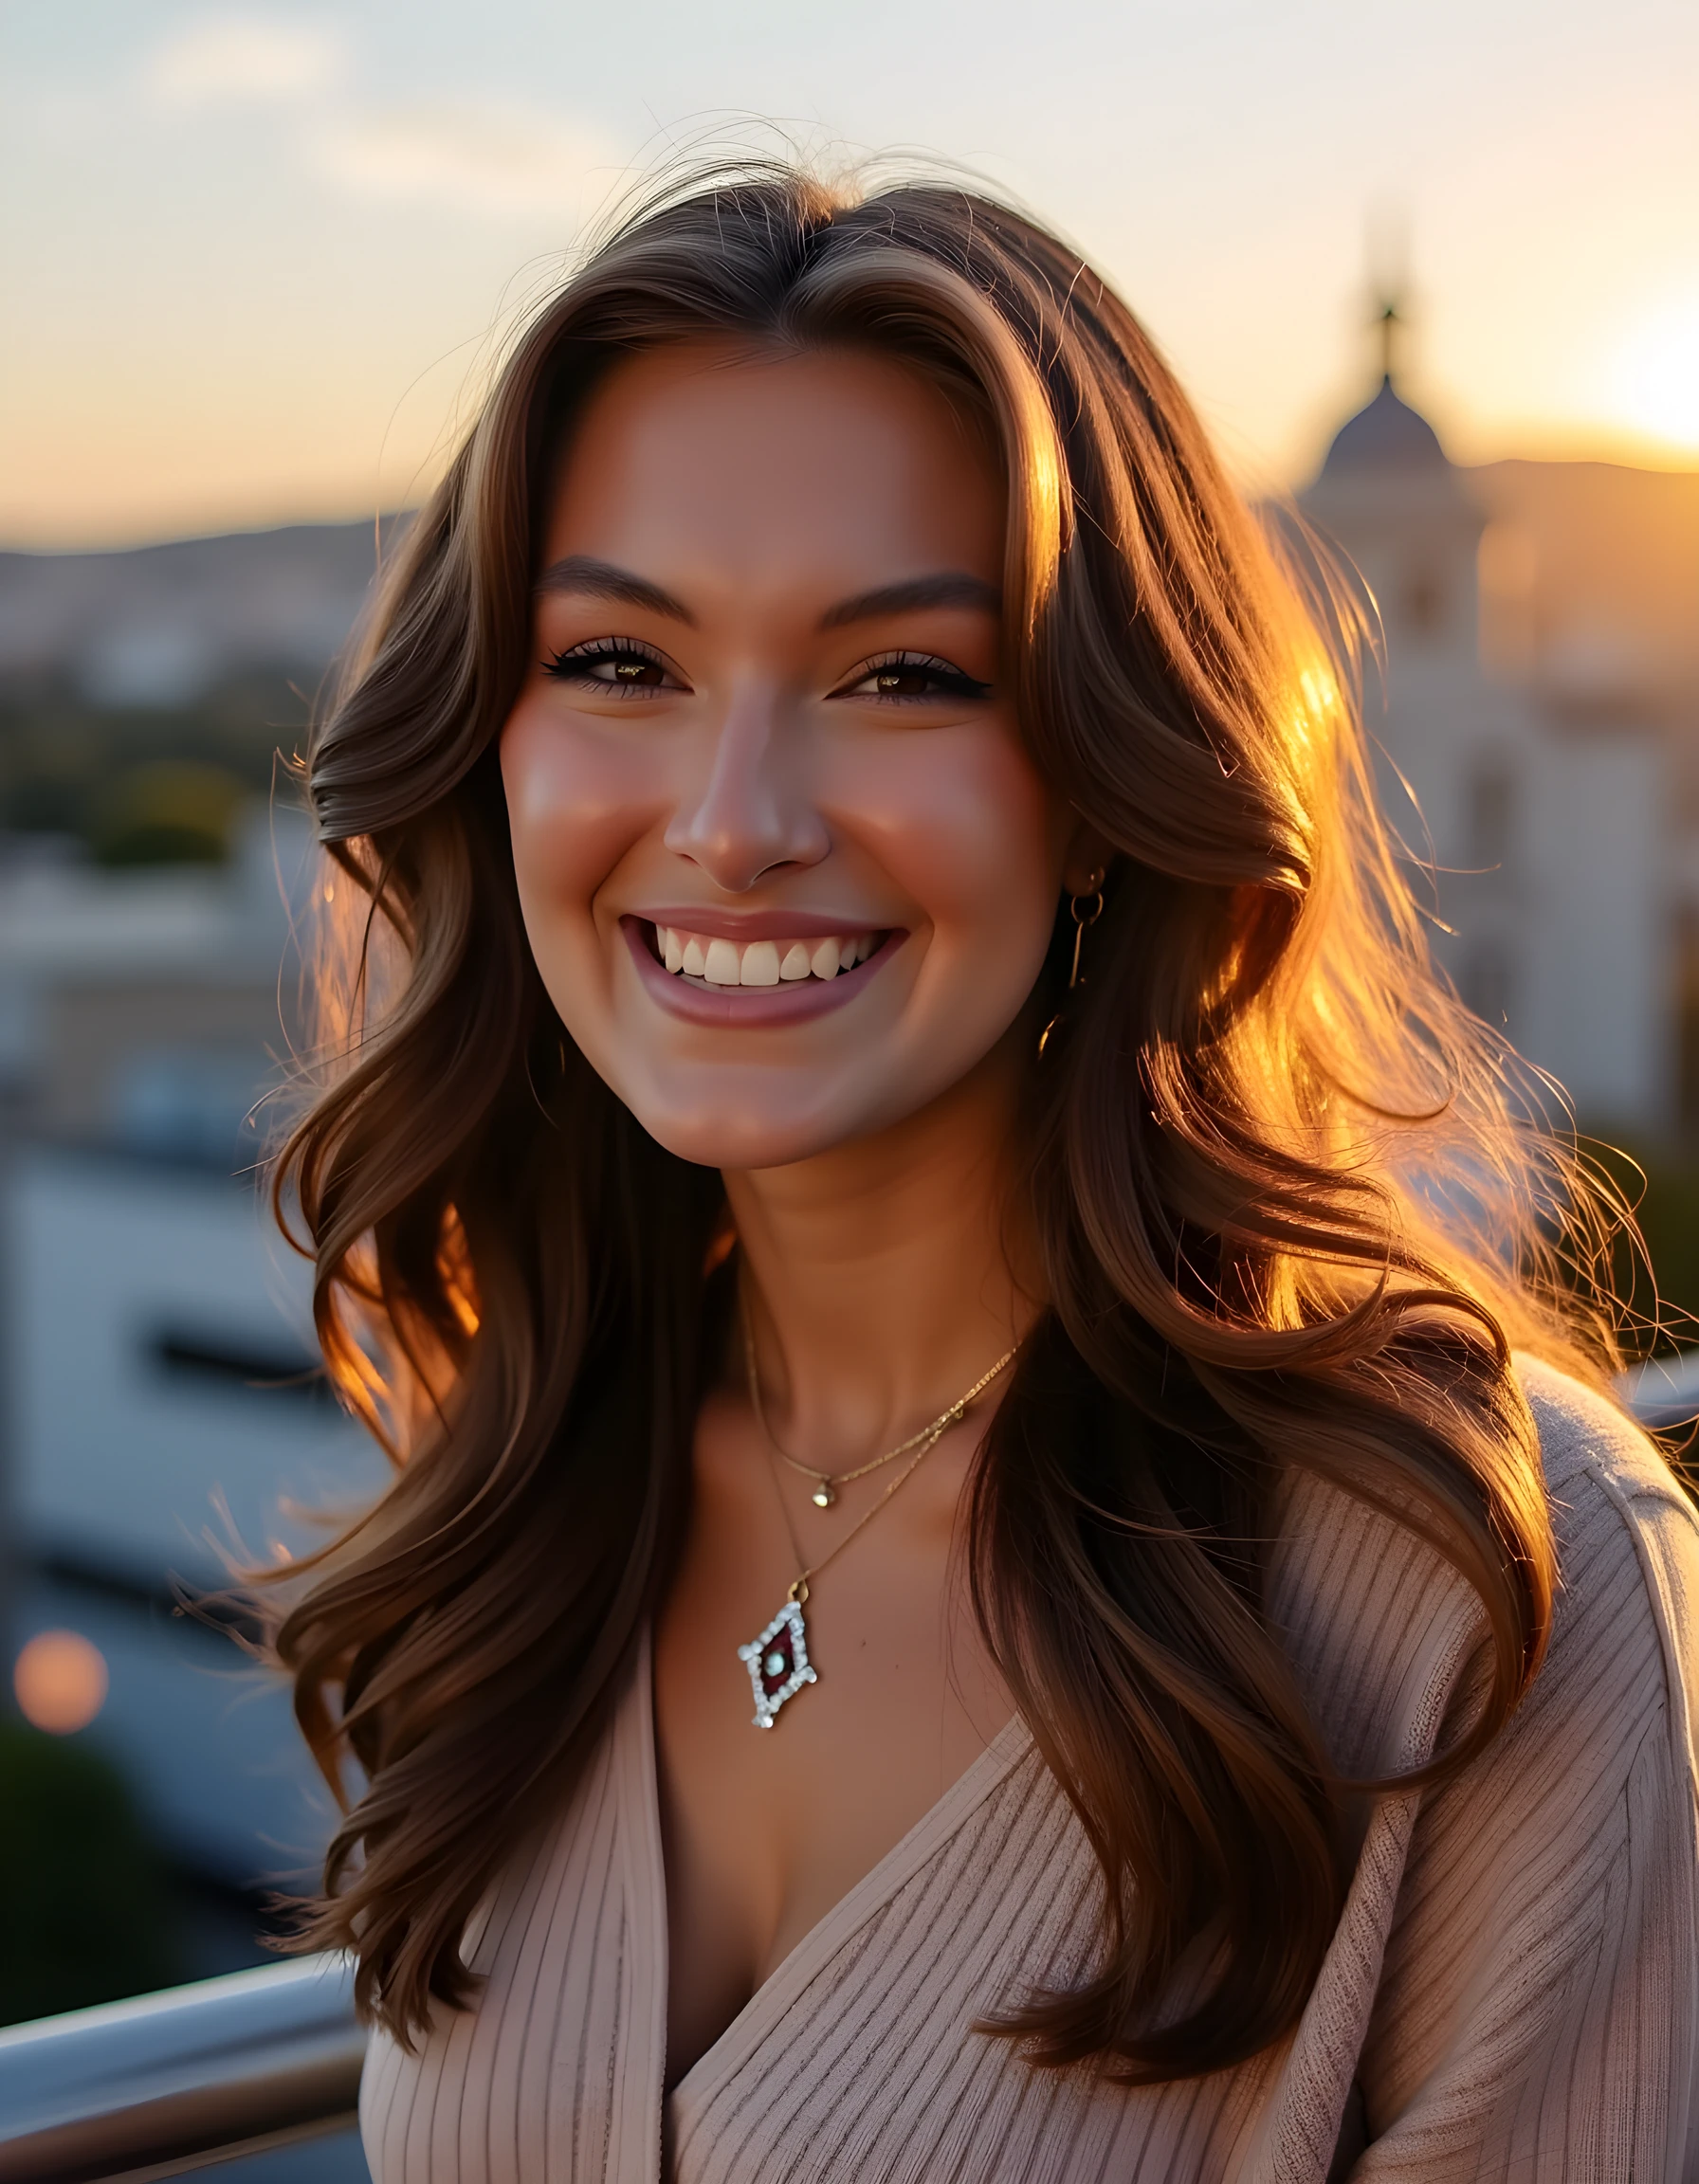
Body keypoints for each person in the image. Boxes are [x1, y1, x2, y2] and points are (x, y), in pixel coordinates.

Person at [267, 164, 1699, 2181]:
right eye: (617, 662)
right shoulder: (532, 1483)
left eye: (902, 677)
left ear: (1109, 790)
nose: (736, 820)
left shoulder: (1486, 1589)